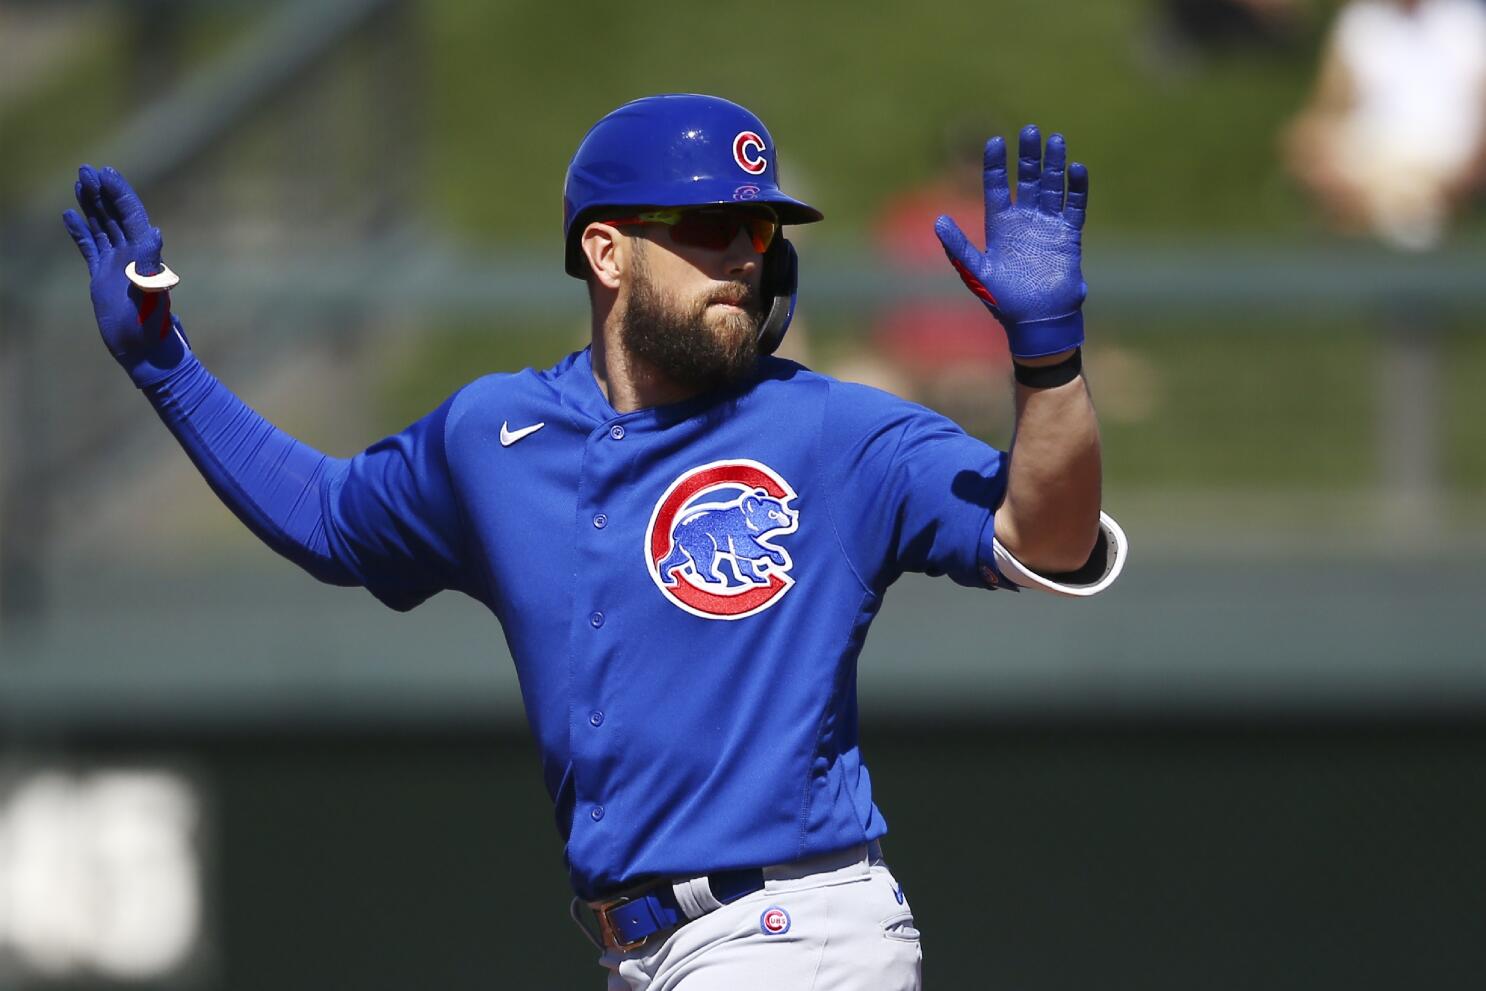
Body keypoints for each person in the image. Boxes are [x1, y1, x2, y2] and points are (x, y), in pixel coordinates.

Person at [62, 94, 1127, 990]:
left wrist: (1046, 360)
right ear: (605, 250)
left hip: (796, 935)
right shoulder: (494, 436)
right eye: (708, 227)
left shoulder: (834, 432)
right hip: (646, 954)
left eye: (758, 232)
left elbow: (1047, 534)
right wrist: (168, 369)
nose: (743, 259)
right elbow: (334, 519)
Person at [1284, 0, 1486, 250]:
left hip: (1445, 156)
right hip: (1371, 153)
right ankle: (1405, 214)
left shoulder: (1467, 20)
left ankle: (1386, 216)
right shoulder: (1360, 19)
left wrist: (1468, 174)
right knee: (1309, 140)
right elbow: (1331, 102)